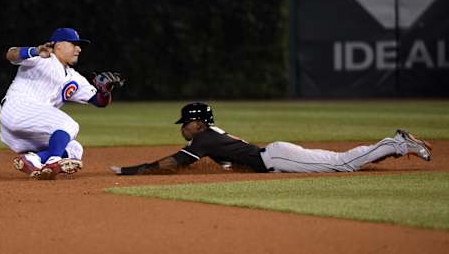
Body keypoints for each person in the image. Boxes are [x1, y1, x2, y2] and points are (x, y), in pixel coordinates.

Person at [111, 102, 432, 175]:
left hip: (274, 158)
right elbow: (232, 154)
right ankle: (390, 147)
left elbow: (172, 163)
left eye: (186, 123)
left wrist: (132, 171)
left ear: (197, 123)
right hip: (274, 155)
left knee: (341, 164)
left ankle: (395, 143)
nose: (182, 128)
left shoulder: (205, 138)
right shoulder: (212, 136)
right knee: (338, 161)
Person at [0, 28, 124, 180]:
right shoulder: (41, 58)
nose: (78, 49)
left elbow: (99, 101)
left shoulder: (74, 77)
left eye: (79, 46)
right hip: (17, 108)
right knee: (68, 125)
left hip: (28, 127)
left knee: (74, 149)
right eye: (74, 44)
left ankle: (33, 159)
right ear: (58, 45)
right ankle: (53, 161)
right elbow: (11, 54)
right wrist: (36, 50)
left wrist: (105, 91)